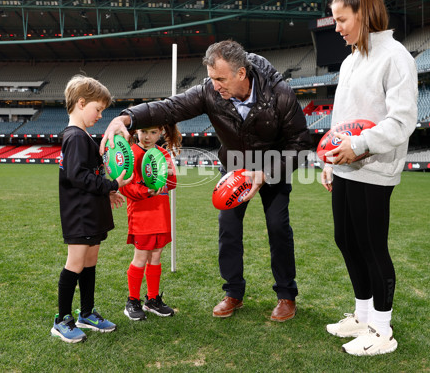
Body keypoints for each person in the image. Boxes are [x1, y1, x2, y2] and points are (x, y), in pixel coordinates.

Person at [101, 40, 312, 321]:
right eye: (212, 79)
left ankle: (286, 296)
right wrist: (127, 119)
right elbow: (170, 108)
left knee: (277, 227)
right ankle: (233, 293)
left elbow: (300, 144)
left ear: (241, 73)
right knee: (228, 229)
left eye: (220, 79)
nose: (215, 86)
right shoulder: (208, 90)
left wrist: (266, 172)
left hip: (273, 166)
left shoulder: (280, 93)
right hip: (235, 166)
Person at [320, 0, 418, 356]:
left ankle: (382, 330)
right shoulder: (350, 62)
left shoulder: (396, 58)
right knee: (345, 239)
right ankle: (362, 316)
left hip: (375, 168)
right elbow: (341, 117)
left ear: (364, 13)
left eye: (342, 19)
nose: (338, 28)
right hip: (345, 167)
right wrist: (331, 157)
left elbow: (402, 120)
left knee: (372, 245)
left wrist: (358, 145)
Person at [51, 75, 132, 343]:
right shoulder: (74, 137)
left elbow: (87, 175)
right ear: (81, 103)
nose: (100, 115)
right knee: (75, 264)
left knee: (90, 262)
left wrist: (105, 192)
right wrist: (112, 183)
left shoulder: (83, 135)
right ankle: (62, 320)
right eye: (98, 109)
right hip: (80, 215)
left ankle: (86, 313)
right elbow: (77, 176)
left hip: (92, 210)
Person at [120, 124, 181, 320]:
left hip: (161, 213)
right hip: (142, 215)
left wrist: (171, 173)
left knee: (156, 256)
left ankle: (152, 300)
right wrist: (147, 191)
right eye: (144, 131)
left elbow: (171, 185)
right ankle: (132, 301)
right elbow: (125, 187)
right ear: (136, 132)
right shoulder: (130, 154)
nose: (148, 136)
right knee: (141, 257)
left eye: (153, 132)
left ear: (161, 133)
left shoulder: (163, 154)